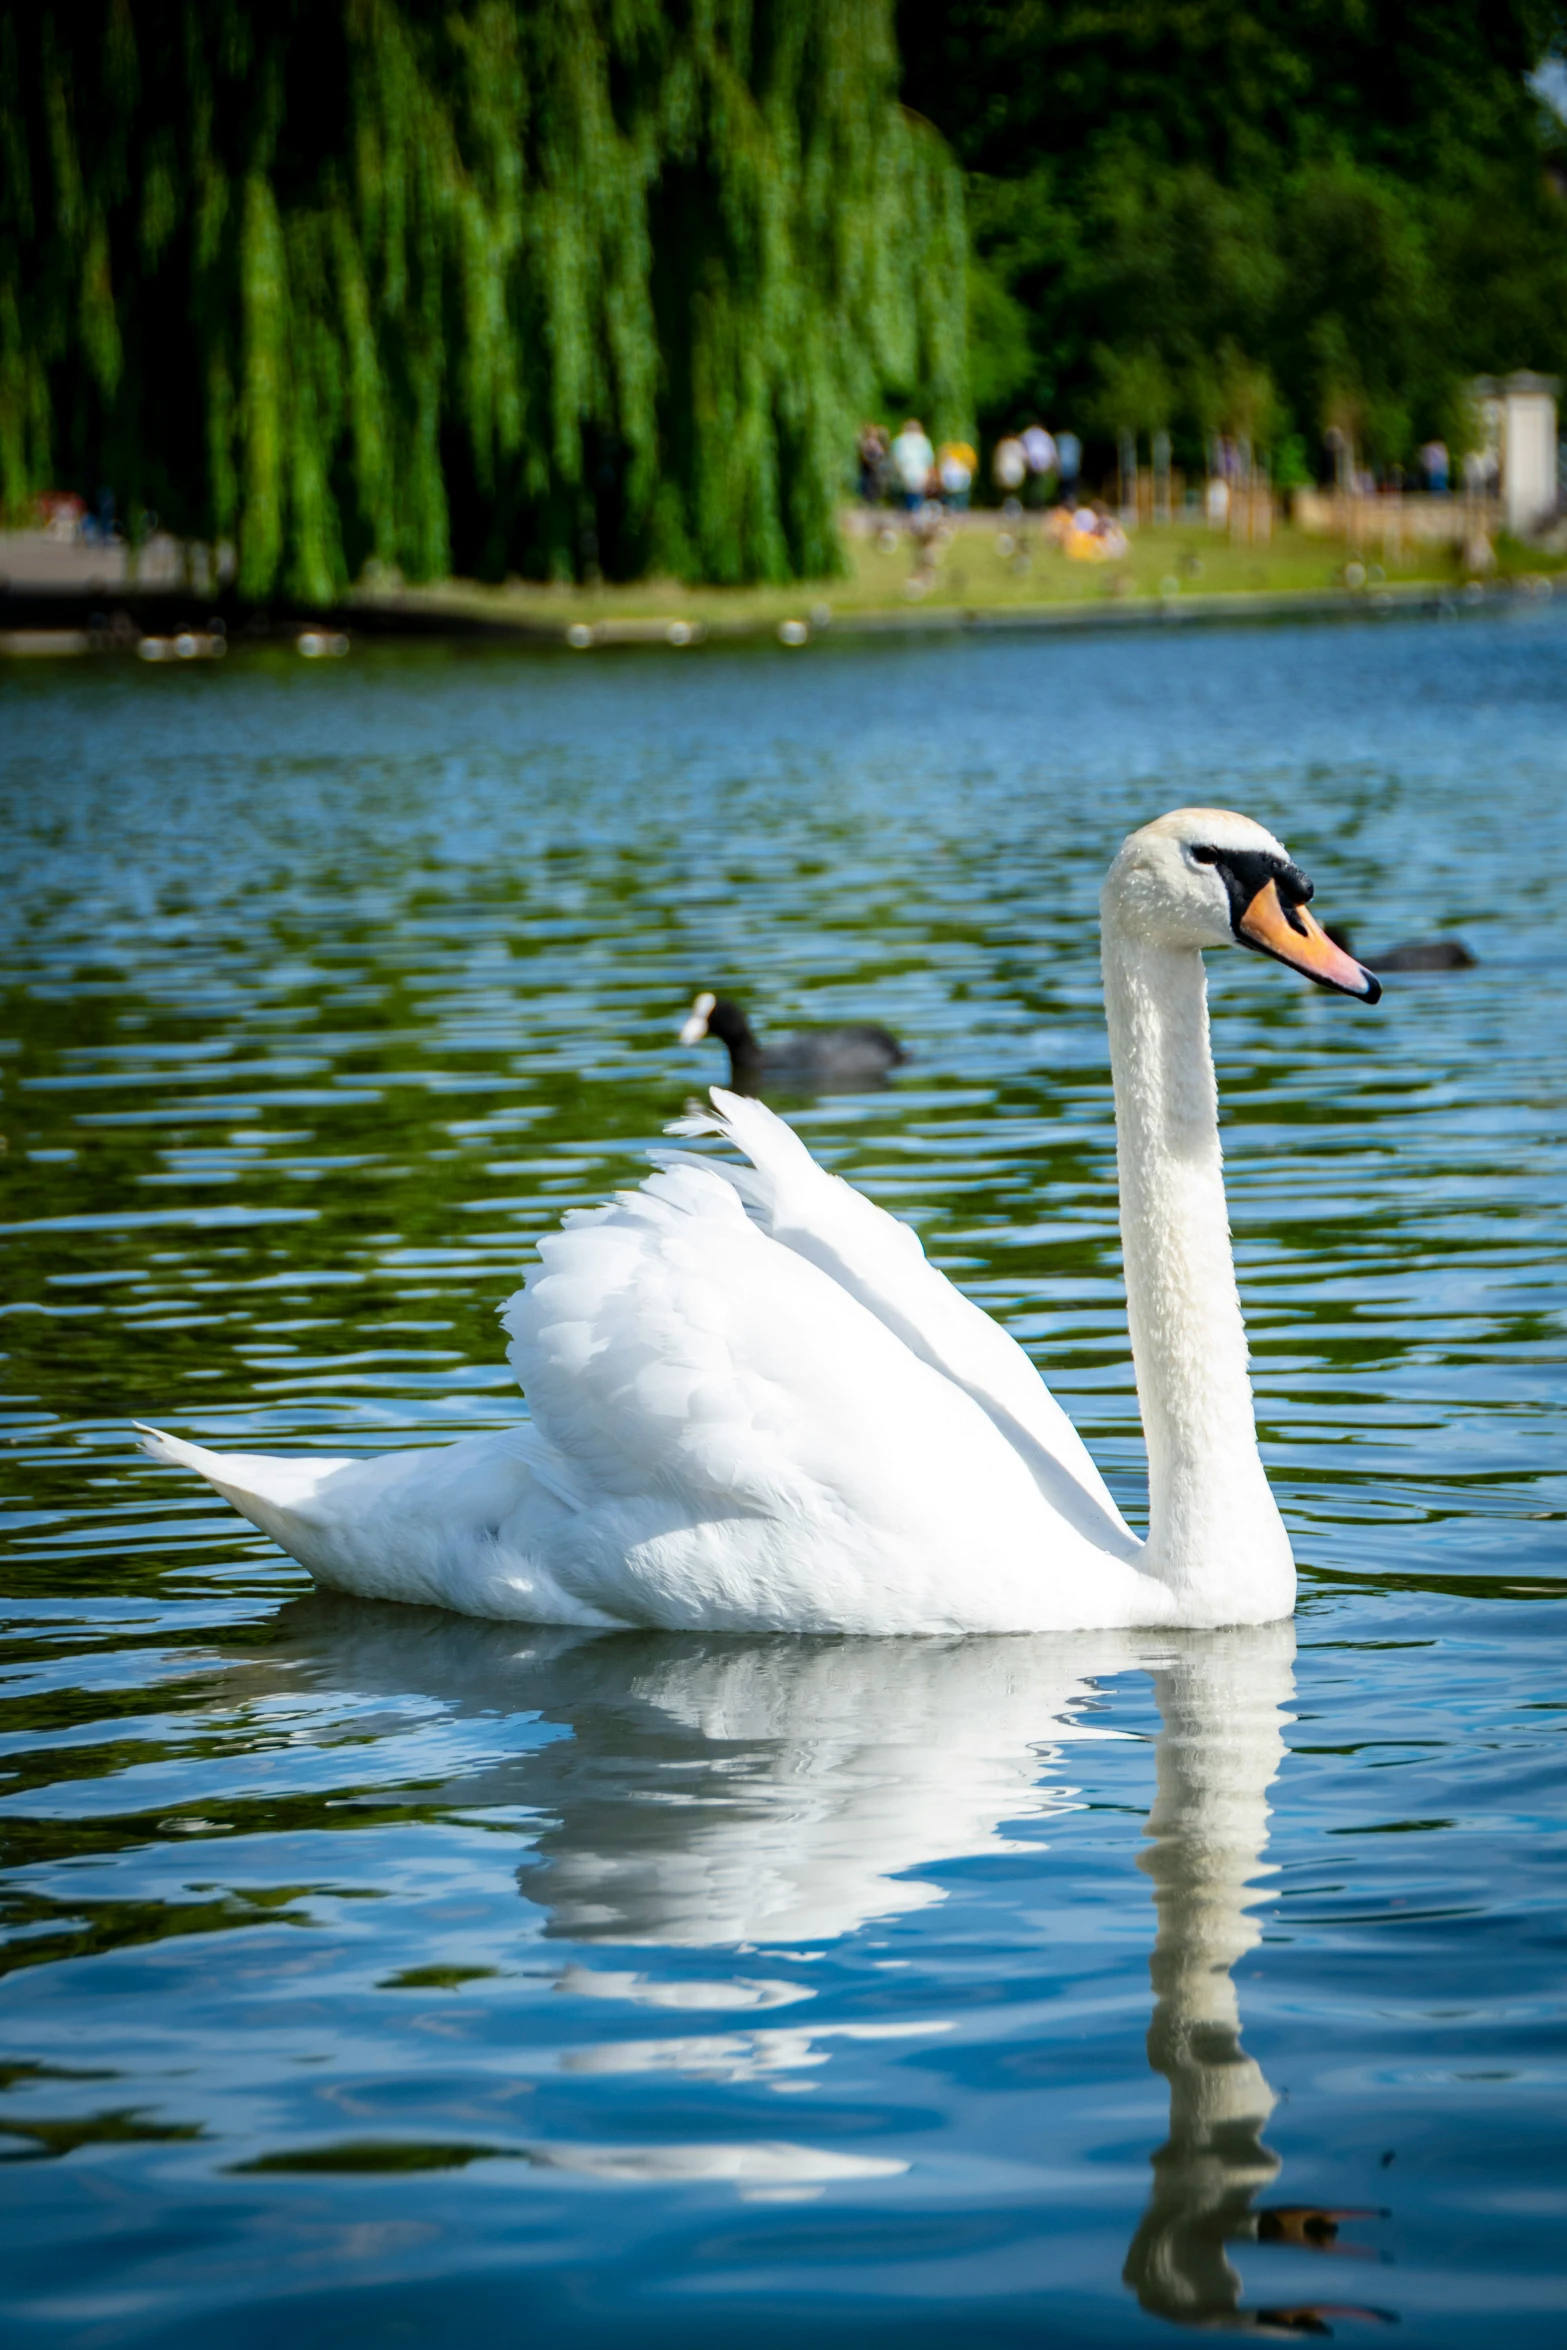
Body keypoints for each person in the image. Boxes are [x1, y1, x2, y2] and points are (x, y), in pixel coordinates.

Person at [890, 418, 935, 510]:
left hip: (906, 470)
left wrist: (898, 471)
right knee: (918, 495)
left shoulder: (899, 441)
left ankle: (909, 512)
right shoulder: (924, 440)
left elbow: (896, 458)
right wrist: (929, 474)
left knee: (908, 494)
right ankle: (916, 513)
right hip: (920, 471)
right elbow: (929, 459)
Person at [937, 438, 976, 509]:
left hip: (956, 486)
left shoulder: (953, 463)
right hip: (956, 486)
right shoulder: (953, 463)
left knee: (956, 498)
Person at [856, 422, 889, 505]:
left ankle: (873, 498)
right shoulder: (867, 442)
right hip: (868, 464)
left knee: (874, 482)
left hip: (873, 464)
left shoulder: (873, 442)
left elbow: (880, 453)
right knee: (867, 482)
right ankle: (867, 499)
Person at [992, 434, 1026, 499]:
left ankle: (1007, 500)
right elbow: (1024, 458)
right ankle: (1013, 500)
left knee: (1005, 489)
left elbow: (998, 458)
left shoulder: (1002, 444)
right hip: (1017, 470)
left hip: (1004, 469)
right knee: (1014, 489)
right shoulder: (1018, 444)